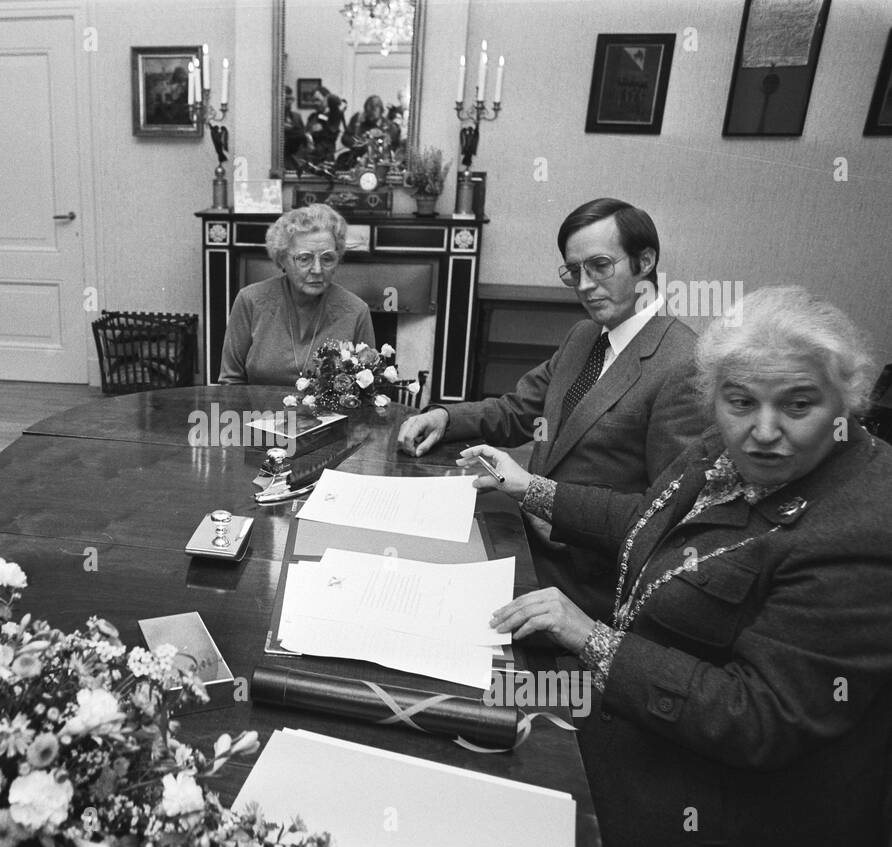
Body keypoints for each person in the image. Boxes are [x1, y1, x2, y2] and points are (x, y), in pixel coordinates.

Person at [466, 286, 892, 847]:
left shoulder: (863, 527)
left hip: (713, 808)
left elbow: (758, 717)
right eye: (740, 401)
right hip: (625, 707)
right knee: (468, 697)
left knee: (495, 801)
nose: (764, 430)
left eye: (798, 405)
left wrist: (589, 638)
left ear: (848, 403)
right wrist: (530, 488)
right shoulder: (722, 446)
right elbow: (647, 516)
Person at [397, 197, 703, 617]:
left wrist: (536, 492)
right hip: (524, 535)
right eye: (574, 272)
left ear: (645, 261)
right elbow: (520, 410)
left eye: (600, 266)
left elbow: (663, 516)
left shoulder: (684, 364)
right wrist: (445, 416)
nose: (585, 285)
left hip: (583, 583)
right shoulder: (585, 335)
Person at [219, 203, 374, 386]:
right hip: (258, 413)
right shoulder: (250, 301)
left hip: (331, 415)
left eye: (327, 258)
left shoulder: (356, 311)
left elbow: (367, 389)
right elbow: (230, 382)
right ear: (282, 259)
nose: (317, 269)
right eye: (304, 258)